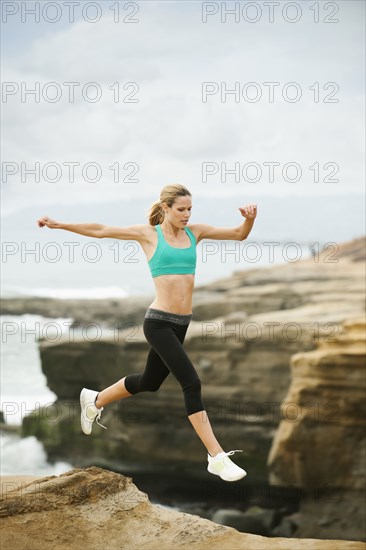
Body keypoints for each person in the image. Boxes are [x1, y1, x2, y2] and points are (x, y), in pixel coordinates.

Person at [37, 184, 257, 482]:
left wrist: (249, 220)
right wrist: (60, 224)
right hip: (158, 323)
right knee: (191, 383)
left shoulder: (196, 233)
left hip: (181, 324)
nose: (187, 215)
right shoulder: (149, 234)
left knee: (150, 382)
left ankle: (95, 400)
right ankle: (216, 457)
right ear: (166, 208)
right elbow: (102, 229)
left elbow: (238, 234)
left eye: (190, 209)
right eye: (181, 209)